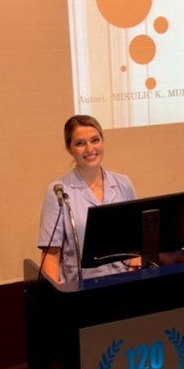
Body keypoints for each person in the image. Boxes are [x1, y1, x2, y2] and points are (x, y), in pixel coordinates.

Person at [38, 114, 140, 282]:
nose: (89, 149)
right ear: (69, 148)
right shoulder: (57, 192)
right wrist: (54, 294)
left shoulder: (123, 183)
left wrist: (136, 263)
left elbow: (137, 239)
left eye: (95, 140)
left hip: (126, 282)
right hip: (82, 287)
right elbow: (50, 255)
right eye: (80, 143)